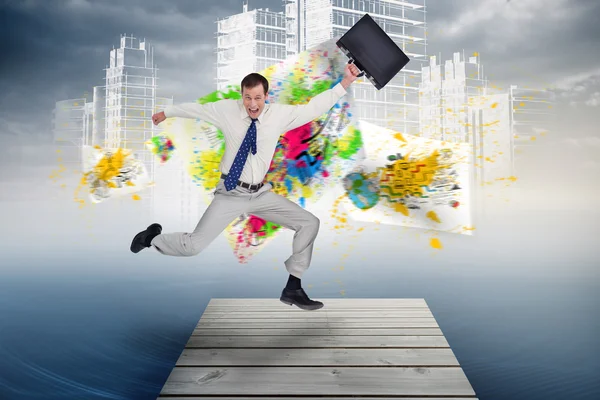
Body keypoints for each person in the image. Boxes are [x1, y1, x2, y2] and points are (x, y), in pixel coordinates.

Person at [130, 63, 361, 310]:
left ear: (266, 96)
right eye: (248, 97)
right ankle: (152, 238)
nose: (253, 104)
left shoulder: (278, 116)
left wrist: (345, 82)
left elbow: (313, 108)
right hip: (231, 192)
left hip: (259, 193)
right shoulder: (226, 110)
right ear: (242, 96)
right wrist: (168, 112)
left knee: (309, 222)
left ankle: (293, 287)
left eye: (258, 98)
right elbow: (197, 109)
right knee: (193, 246)